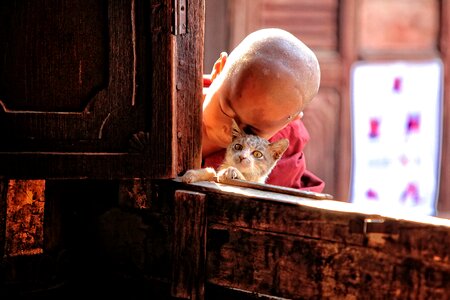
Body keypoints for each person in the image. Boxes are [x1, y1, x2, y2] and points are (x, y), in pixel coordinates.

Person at [201, 28, 324, 192]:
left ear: (288, 122)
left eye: (252, 131)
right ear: (218, 70)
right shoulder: (168, 97)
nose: (232, 131)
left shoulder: (282, 148)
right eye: (226, 110)